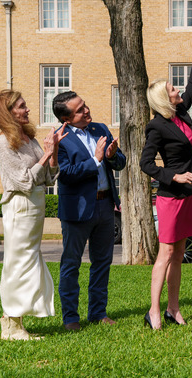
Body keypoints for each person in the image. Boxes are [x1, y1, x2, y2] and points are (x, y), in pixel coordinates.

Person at [0, 89, 67, 340]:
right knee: (18, 263)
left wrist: (53, 151)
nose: (27, 110)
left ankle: (17, 322)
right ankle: (10, 325)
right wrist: (45, 154)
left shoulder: (29, 139)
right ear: (9, 112)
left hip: (35, 206)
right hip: (19, 207)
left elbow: (48, 178)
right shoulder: (4, 142)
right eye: (22, 106)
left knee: (29, 260)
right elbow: (23, 181)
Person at [139, 37, 192, 330]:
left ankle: (172, 309)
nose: (177, 90)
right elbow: (146, 163)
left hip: (189, 194)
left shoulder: (181, 112)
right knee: (166, 252)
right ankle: (153, 311)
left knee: (179, 253)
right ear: (164, 99)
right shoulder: (156, 126)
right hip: (170, 196)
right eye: (171, 89)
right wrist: (174, 175)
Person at [53, 91, 126, 331]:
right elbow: (66, 173)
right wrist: (95, 159)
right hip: (77, 210)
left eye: (84, 105)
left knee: (102, 262)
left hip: (105, 206)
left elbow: (121, 162)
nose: (87, 111)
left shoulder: (100, 129)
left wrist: (112, 156)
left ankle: (97, 312)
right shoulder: (59, 139)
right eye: (79, 110)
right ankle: (71, 318)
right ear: (66, 119)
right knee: (71, 264)